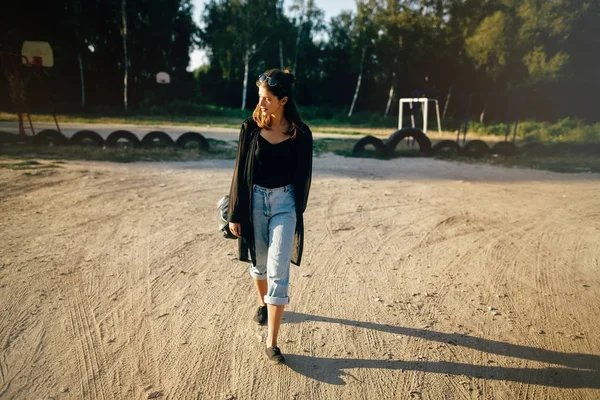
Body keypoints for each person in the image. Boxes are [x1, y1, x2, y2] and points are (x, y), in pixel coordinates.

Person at [227, 68, 313, 365]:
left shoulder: (301, 134)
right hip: (253, 202)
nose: (261, 103)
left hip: (284, 204)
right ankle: (262, 304)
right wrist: (235, 213)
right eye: (260, 97)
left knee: (278, 270)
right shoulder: (249, 128)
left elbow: (304, 177)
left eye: (267, 98)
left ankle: (272, 343)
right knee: (259, 262)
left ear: (283, 100)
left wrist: (294, 212)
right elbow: (240, 172)